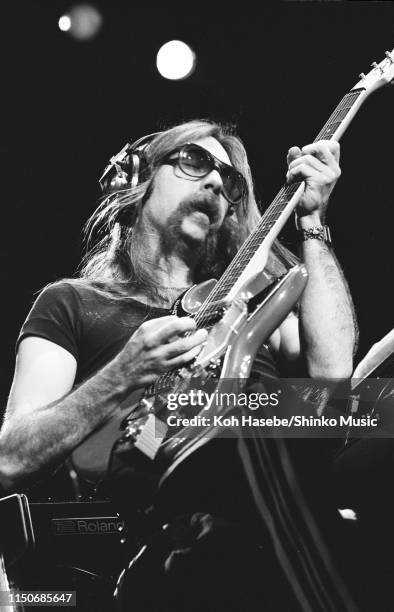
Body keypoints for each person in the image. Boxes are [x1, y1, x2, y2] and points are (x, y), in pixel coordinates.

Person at [0, 120, 357, 610]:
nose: (215, 182)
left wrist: (313, 221)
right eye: (194, 161)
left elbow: (331, 381)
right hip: (156, 541)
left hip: (268, 505)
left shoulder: (250, 304)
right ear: (139, 181)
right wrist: (125, 371)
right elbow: (10, 458)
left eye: (230, 182)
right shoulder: (72, 302)